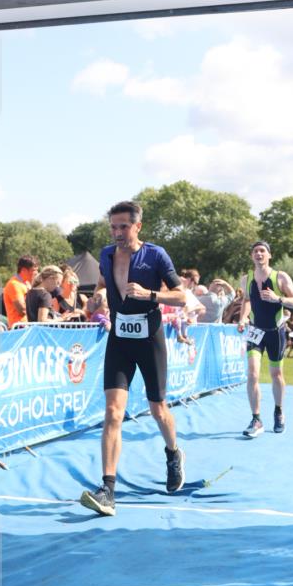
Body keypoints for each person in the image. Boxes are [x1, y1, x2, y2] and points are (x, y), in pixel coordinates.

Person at [80, 201, 187, 517]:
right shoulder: (106, 254)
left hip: (149, 338)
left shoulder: (155, 255)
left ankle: (172, 453)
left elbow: (182, 296)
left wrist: (150, 295)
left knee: (158, 408)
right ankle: (108, 490)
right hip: (119, 338)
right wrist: (98, 296)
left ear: (137, 226)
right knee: (113, 412)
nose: (117, 233)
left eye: (123, 226)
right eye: (113, 227)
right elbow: (102, 284)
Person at [237, 241, 293, 437]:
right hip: (256, 332)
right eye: (255, 251)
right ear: (251, 256)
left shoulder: (280, 277)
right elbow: (247, 300)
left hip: (275, 332)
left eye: (262, 251)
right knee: (253, 374)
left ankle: (279, 411)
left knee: (276, 375)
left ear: (269, 255)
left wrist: (278, 299)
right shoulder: (245, 279)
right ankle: (256, 419)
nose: (258, 253)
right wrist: (242, 317)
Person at [3, 255, 39, 328]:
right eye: (33, 270)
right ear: (23, 270)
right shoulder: (14, 284)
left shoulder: (27, 283)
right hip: (19, 328)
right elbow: (22, 311)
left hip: (27, 327)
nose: (36, 273)